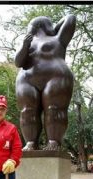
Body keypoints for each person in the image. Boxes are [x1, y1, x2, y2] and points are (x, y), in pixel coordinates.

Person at [14, 15, 76, 151]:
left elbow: (70, 18)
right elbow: (18, 62)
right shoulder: (27, 42)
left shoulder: (58, 38)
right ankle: (31, 142)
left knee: (54, 109)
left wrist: (53, 29)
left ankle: (54, 141)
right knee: (27, 111)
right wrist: (25, 45)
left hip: (56, 77)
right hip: (26, 79)